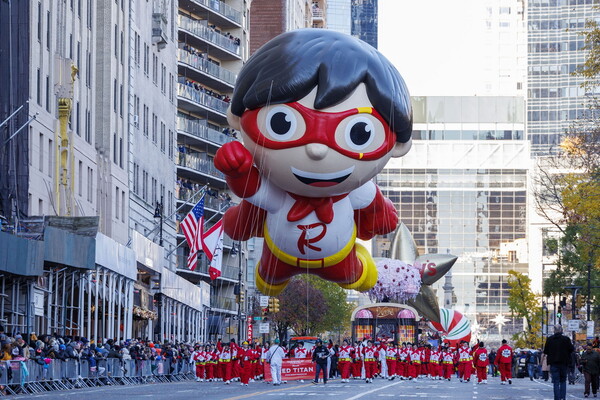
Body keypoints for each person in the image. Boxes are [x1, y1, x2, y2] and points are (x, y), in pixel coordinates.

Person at [214, 29, 412, 297]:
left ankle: (357, 267)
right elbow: (247, 189)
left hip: (338, 257)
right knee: (268, 280)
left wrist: (384, 219)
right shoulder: (275, 193)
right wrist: (236, 168)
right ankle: (271, 277)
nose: (317, 149)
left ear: (397, 145)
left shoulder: (358, 191)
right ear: (238, 118)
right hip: (279, 253)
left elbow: (383, 220)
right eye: (282, 123)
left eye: (359, 132)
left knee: (357, 276)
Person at [544, 324, 575, 400]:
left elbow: (546, 351)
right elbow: (571, 349)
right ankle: (562, 397)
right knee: (563, 381)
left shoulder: (550, 339)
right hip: (564, 362)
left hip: (554, 363)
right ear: (561, 330)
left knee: (556, 381)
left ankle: (557, 398)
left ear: (554, 330)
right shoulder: (566, 339)